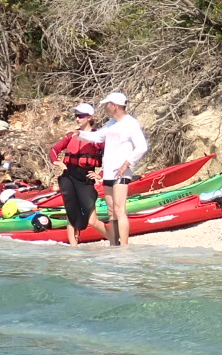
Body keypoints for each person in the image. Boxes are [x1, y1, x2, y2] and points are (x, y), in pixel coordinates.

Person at [79, 91, 149, 247]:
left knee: (119, 210)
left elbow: (141, 147)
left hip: (121, 172)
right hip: (109, 171)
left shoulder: (130, 123)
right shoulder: (111, 123)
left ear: (114, 106)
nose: (105, 108)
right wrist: (78, 134)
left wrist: (127, 163)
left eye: (107, 105)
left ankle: (124, 246)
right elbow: (98, 137)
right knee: (111, 212)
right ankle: (114, 244)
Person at [48, 103, 106, 245]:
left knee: (92, 220)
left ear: (89, 117)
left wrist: (101, 175)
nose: (77, 119)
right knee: (71, 214)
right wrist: (56, 162)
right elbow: (54, 150)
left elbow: (110, 157)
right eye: (76, 116)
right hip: (69, 176)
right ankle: (73, 250)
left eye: (81, 116)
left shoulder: (97, 137)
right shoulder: (71, 136)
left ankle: (115, 243)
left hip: (85, 178)